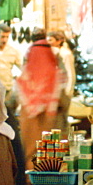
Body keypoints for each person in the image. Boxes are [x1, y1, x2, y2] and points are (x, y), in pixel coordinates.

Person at [15, 32, 65, 165]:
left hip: (28, 124)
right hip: (52, 124)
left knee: (28, 155)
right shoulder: (57, 77)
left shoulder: (24, 78)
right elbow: (64, 103)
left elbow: (13, 100)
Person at [0, 22, 23, 98]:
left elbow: (24, 67)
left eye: (7, 37)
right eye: (2, 37)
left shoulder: (13, 51)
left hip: (7, 90)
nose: (4, 40)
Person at [47, 31, 75, 134]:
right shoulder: (53, 53)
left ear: (59, 41)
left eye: (51, 40)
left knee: (62, 119)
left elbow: (71, 73)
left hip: (64, 91)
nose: (48, 42)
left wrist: (68, 91)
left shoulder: (66, 54)